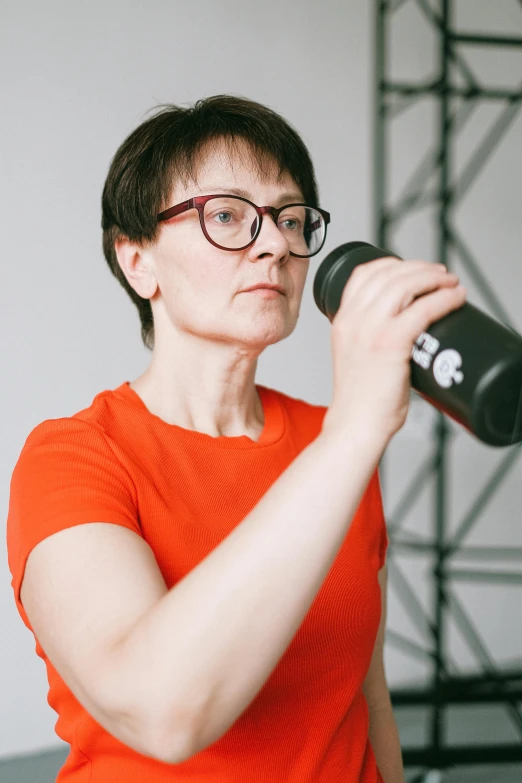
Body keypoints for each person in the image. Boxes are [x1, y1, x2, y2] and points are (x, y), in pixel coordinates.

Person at [6, 95, 466, 783]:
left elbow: (365, 704)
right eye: (226, 215)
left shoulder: (328, 440)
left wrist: (346, 435)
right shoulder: (74, 457)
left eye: (289, 216)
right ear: (138, 262)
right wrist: (355, 429)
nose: (276, 242)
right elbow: (163, 713)